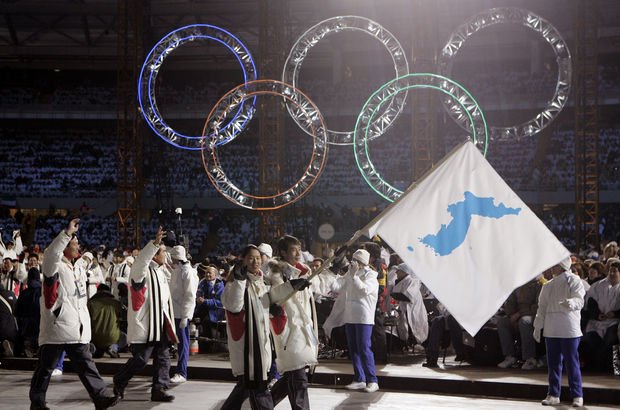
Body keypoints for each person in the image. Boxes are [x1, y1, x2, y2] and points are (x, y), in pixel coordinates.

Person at [29, 218, 119, 410]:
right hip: (57, 328)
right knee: (45, 369)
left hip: (75, 328)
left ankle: (101, 397)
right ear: (64, 247)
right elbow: (52, 253)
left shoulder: (75, 267)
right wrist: (66, 233)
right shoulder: (54, 266)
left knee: (86, 365)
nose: (78, 246)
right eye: (74, 243)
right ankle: (37, 403)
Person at [113, 227, 177, 403]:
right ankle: (120, 379)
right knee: (141, 359)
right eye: (162, 252)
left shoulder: (162, 271)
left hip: (161, 322)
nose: (166, 254)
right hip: (147, 325)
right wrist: (154, 244)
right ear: (154, 254)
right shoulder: (140, 271)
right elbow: (141, 261)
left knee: (163, 358)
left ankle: (159, 389)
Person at [220, 245, 274, 410]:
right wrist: (239, 280)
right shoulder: (234, 282)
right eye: (250, 257)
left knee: (245, 387)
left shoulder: (263, 282)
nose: (255, 261)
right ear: (243, 260)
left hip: (260, 345)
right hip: (246, 347)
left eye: (258, 257)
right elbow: (234, 306)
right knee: (257, 387)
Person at [269, 235, 316, 410]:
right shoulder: (276, 272)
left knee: (293, 377)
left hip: (304, 330)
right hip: (289, 330)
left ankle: (261, 405)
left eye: (299, 249)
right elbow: (274, 296)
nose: (298, 253)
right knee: (298, 379)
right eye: (293, 249)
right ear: (283, 252)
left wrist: (333, 269)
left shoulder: (305, 271)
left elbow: (321, 288)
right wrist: (292, 285)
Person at [533, 258, 585, 408]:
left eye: (555, 265)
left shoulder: (573, 280)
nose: (552, 268)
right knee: (553, 363)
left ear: (561, 266)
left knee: (571, 362)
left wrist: (571, 303)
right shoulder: (548, 286)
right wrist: (538, 326)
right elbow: (541, 308)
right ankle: (553, 394)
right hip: (552, 328)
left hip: (569, 328)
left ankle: (577, 394)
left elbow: (580, 300)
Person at [330, 249, 380, 393]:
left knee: (364, 348)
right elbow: (336, 287)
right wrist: (334, 271)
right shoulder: (350, 274)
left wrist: (353, 276)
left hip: (364, 317)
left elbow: (363, 290)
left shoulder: (371, 276)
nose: (353, 263)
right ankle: (359, 378)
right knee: (353, 349)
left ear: (363, 262)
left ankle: (372, 380)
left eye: (356, 260)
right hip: (350, 316)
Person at [581, 257, 620, 372]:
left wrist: (614, 313)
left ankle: (608, 367)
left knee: (609, 340)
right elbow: (591, 302)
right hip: (597, 321)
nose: (612, 273)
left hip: (614, 321)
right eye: (610, 270)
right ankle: (594, 365)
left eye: (615, 271)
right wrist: (597, 314)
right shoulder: (598, 285)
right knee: (589, 338)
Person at [497, 278, 542, 370]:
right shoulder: (518, 284)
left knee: (524, 322)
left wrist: (519, 314)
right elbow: (510, 303)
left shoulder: (539, 284)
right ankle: (510, 356)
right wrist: (511, 314)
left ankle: (530, 358)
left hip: (533, 314)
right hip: (518, 314)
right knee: (503, 322)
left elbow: (538, 305)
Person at [169, 245, 199, 384]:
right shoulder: (178, 270)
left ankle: (182, 372)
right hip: (173, 311)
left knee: (183, 343)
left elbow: (190, 295)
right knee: (176, 343)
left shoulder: (188, 272)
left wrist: (186, 316)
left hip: (181, 313)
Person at [389, 263, 428, 351]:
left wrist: (392, 294)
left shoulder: (411, 281)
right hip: (405, 310)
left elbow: (407, 296)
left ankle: (417, 344)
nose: (396, 273)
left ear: (404, 272)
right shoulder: (402, 281)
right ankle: (408, 344)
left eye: (398, 271)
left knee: (414, 327)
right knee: (407, 328)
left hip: (414, 310)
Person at [87, 284, 122, 358]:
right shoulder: (116, 303)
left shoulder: (90, 303)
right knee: (123, 336)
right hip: (112, 337)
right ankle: (113, 348)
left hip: (95, 337)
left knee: (97, 343)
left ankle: (95, 349)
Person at [16, 267, 42, 357]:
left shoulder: (23, 293)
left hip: (26, 328)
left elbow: (17, 312)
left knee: (28, 339)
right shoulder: (43, 292)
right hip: (40, 328)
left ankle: (28, 347)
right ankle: (39, 348)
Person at [195, 263, 224, 346]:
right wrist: (199, 299)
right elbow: (198, 294)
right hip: (202, 308)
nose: (207, 275)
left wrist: (205, 301)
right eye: (206, 273)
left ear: (215, 274)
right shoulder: (202, 283)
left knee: (206, 321)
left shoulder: (219, 284)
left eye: (210, 273)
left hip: (215, 310)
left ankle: (209, 346)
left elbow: (220, 302)